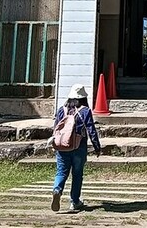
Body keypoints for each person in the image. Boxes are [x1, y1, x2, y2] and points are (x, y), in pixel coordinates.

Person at [50, 84, 101, 213]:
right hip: (79, 147)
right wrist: (96, 146)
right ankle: (75, 201)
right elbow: (91, 130)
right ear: (83, 98)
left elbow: (56, 127)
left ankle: (57, 190)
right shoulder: (85, 111)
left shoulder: (62, 109)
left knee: (61, 172)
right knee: (77, 174)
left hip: (62, 147)